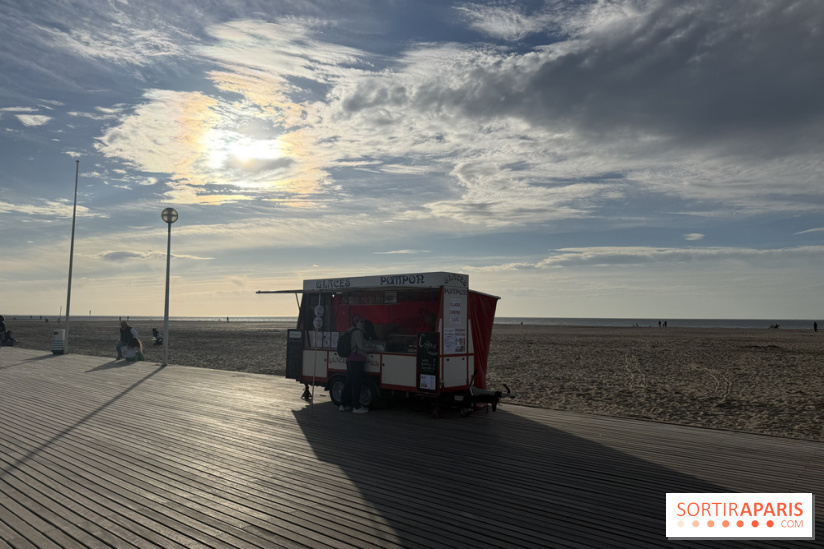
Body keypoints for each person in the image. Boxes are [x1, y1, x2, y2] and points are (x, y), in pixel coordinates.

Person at [340, 314, 373, 414]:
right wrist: (371, 349)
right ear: (356, 322)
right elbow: (361, 347)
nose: (363, 324)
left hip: (350, 359)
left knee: (349, 382)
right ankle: (356, 406)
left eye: (364, 322)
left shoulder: (350, 331)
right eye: (361, 322)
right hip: (357, 360)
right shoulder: (358, 332)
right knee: (356, 383)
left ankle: (344, 404)